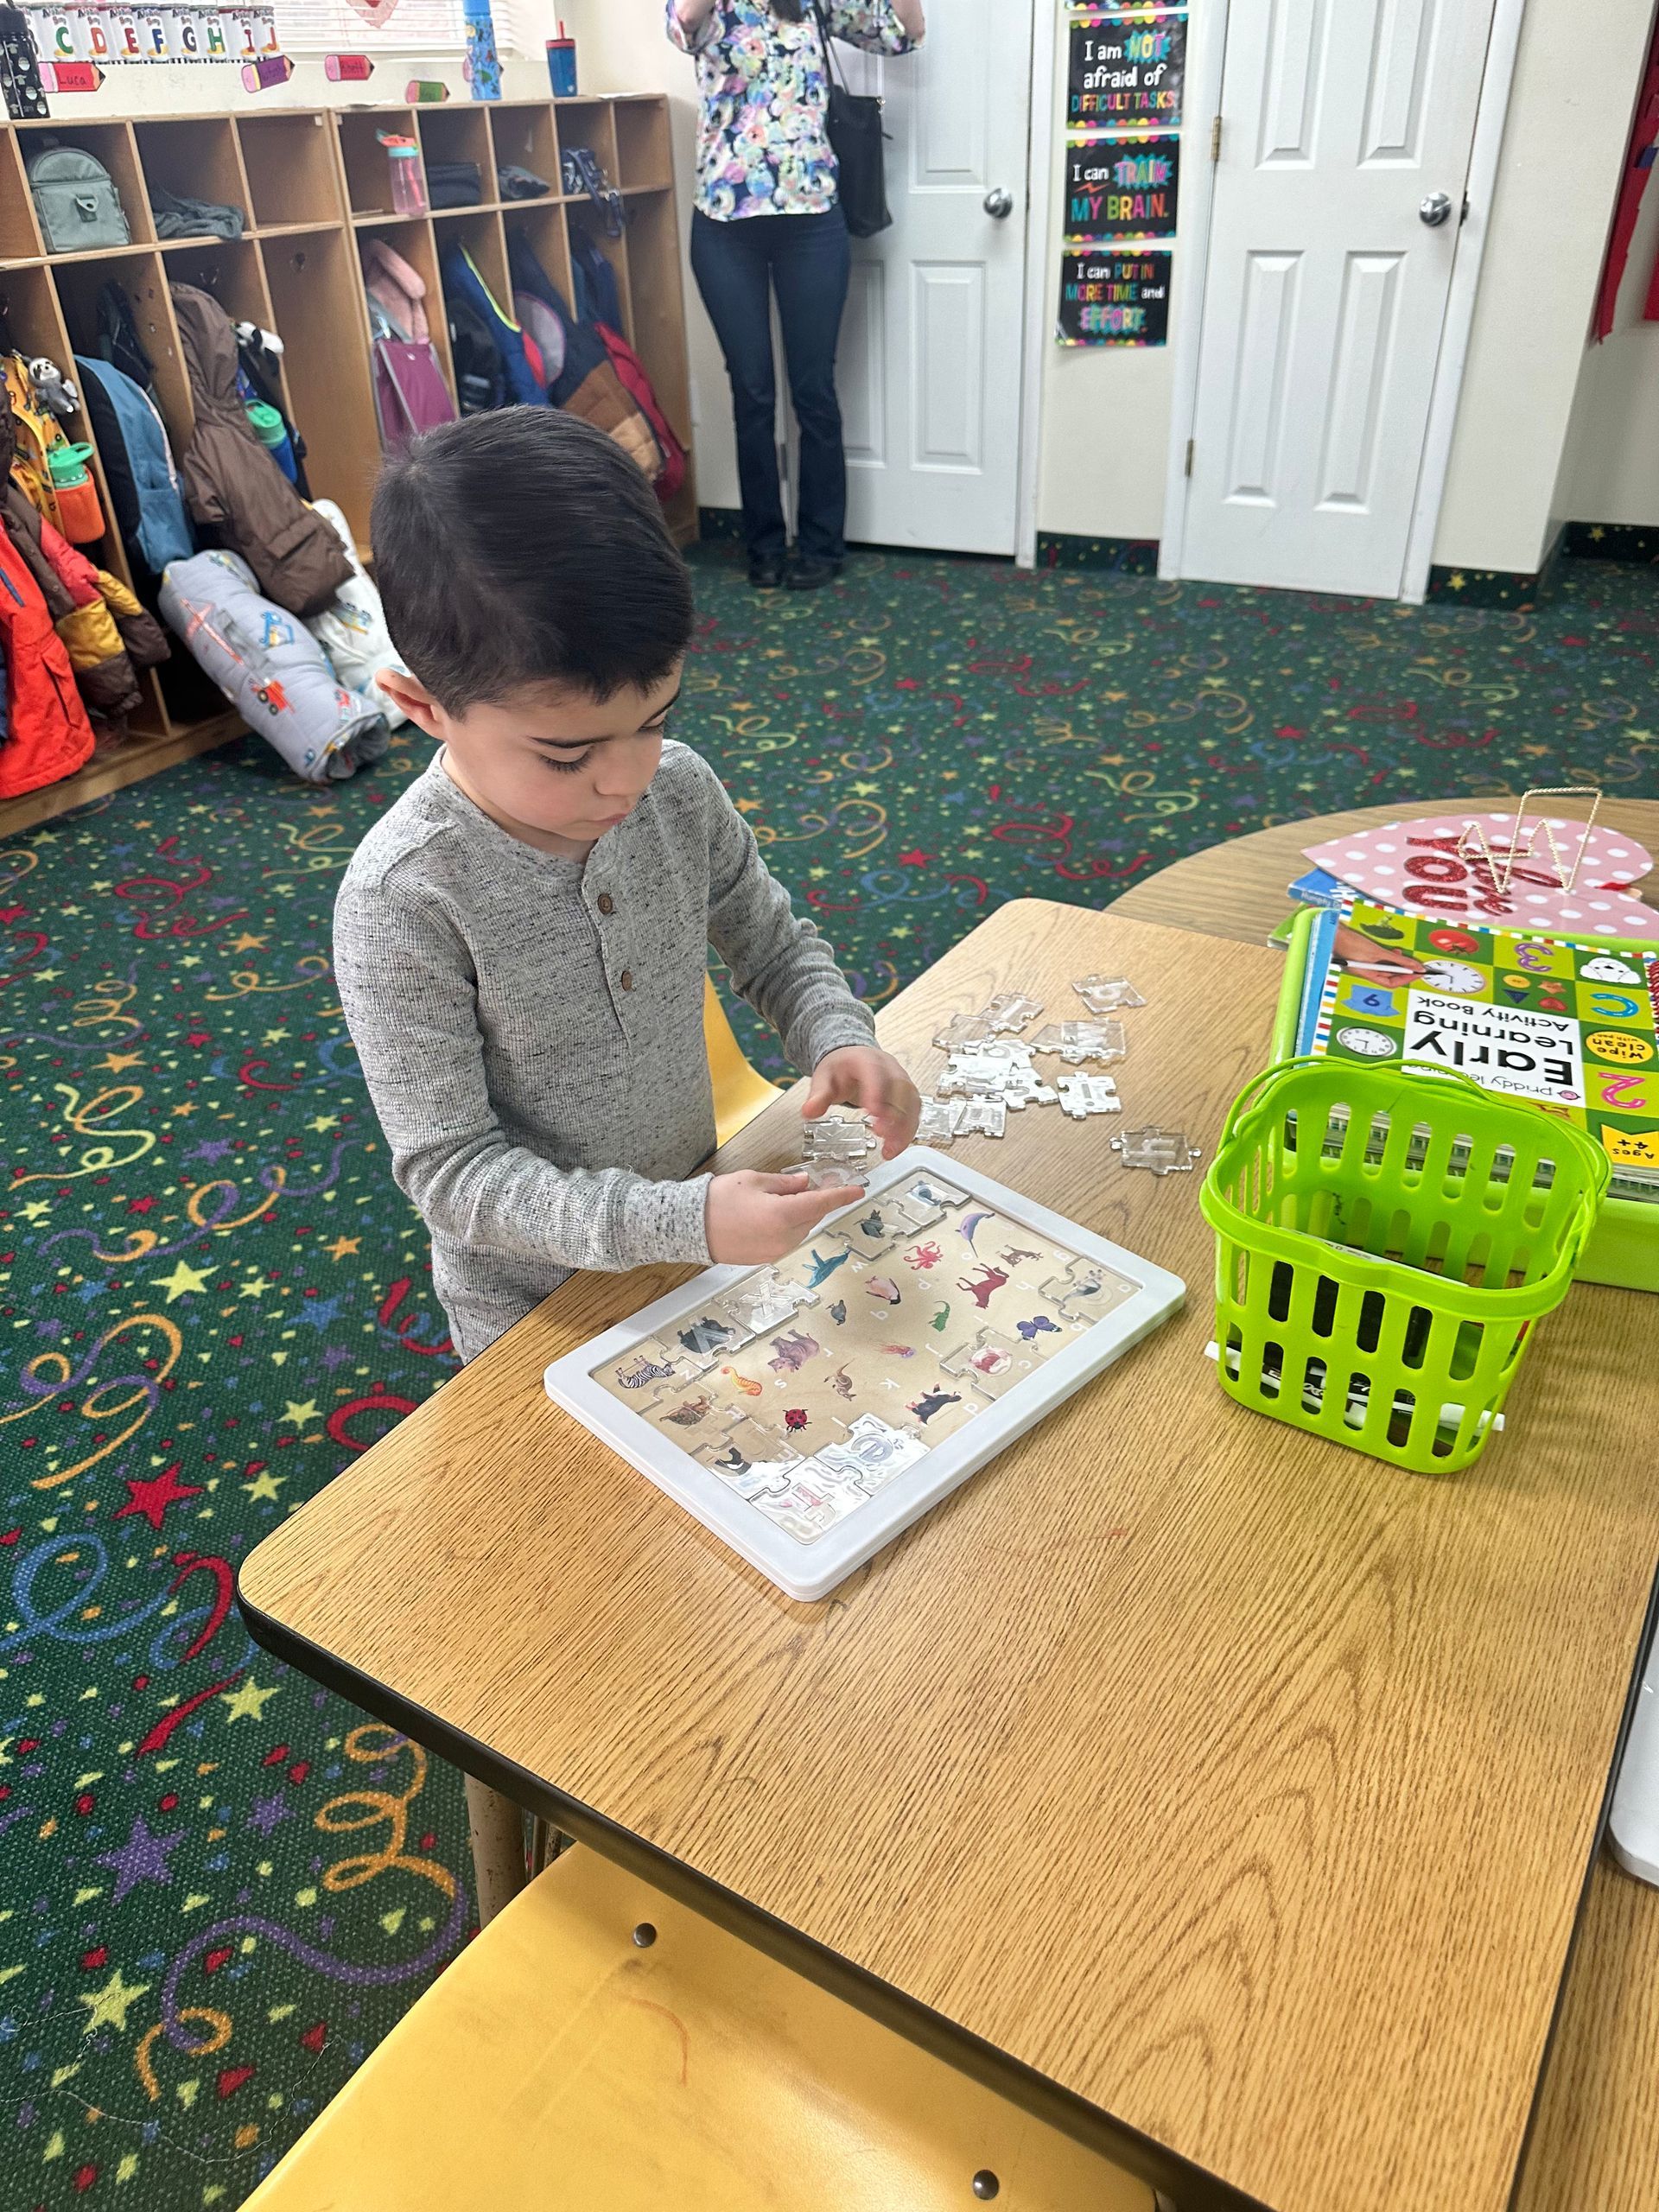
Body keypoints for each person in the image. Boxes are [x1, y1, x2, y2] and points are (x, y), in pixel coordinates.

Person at [334, 408, 921, 1364]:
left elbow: (771, 941)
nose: (628, 777)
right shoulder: (404, 901)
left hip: (702, 1223)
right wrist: (679, 1222)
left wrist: (836, 1032)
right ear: (419, 705)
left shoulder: (676, 788)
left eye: (655, 718)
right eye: (568, 754)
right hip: (538, 1311)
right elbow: (451, 1174)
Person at [668, 0, 926, 592]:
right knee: (753, 392)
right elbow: (682, 25)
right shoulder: (712, 11)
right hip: (724, 222)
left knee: (813, 389)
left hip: (811, 222)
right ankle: (762, 544)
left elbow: (905, 36)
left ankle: (821, 542)